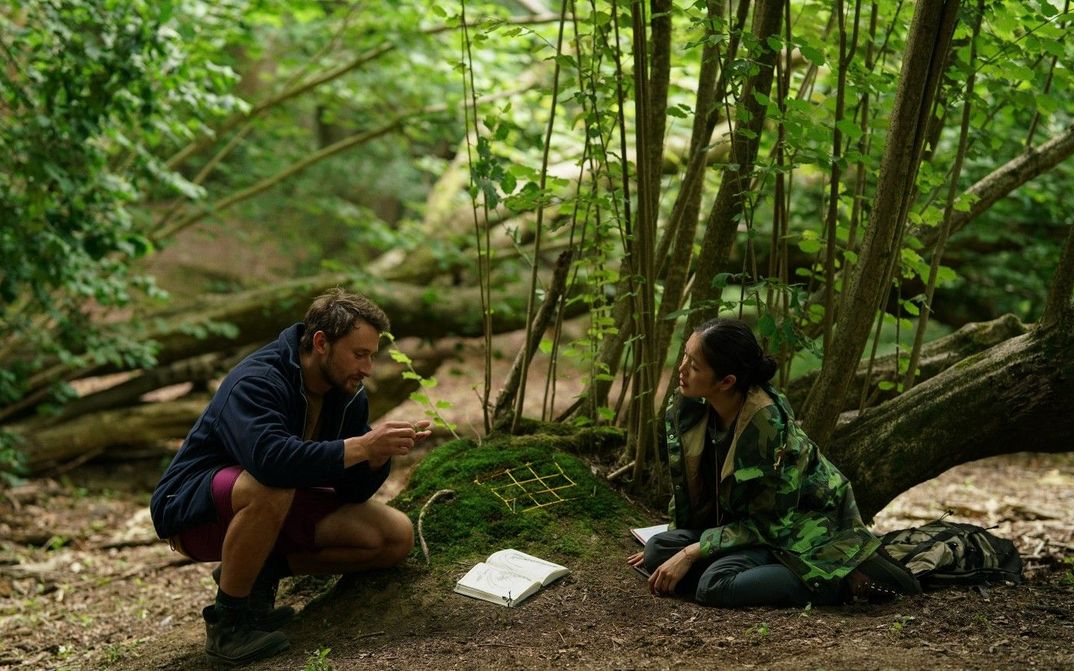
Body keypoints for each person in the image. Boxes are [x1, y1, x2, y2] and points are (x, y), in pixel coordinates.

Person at [150, 288, 431, 666]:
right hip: (194, 511)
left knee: (394, 537)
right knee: (271, 485)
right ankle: (228, 625)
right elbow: (271, 463)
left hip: (274, 505)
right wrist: (361, 447)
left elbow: (352, 491)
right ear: (321, 343)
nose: (367, 368)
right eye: (359, 354)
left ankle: (258, 573)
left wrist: (375, 458)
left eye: (371, 356)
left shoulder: (348, 393)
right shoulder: (258, 379)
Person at [627, 317, 920, 608]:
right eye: (684, 357)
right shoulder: (692, 407)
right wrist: (674, 550)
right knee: (657, 551)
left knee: (714, 585)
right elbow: (692, 489)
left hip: (799, 532)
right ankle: (748, 575)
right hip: (744, 526)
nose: (681, 370)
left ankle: (837, 583)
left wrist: (691, 553)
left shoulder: (766, 427)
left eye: (694, 366)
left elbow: (770, 524)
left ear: (727, 381)